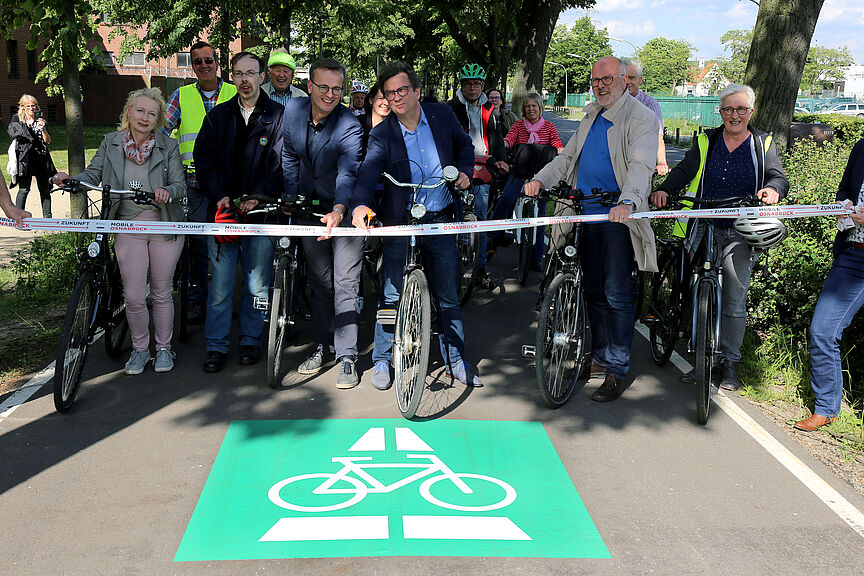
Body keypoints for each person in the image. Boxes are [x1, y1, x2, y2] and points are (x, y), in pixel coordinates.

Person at [524, 56, 659, 403]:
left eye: (608, 79)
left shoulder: (640, 117)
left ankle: (616, 369)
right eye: (596, 80)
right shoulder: (590, 115)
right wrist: (540, 179)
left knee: (617, 294)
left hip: (617, 217)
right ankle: (598, 357)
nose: (601, 86)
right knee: (593, 292)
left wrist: (627, 202)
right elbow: (566, 159)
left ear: (624, 80)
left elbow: (642, 165)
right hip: (584, 213)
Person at [352, 61, 481, 391]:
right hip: (401, 221)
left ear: (417, 91)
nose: (396, 97)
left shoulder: (441, 116)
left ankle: (455, 360)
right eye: (389, 92)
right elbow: (368, 172)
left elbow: (465, 145)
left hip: (440, 219)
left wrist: (464, 170)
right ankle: (383, 359)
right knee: (390, 294)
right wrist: (362, 203)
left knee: (448, 294)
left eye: (402, 90)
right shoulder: (382, 134)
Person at [652, 83, 788, 391]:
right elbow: (684, 171)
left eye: (741, 109)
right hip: (702, 222)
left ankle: (729, 363)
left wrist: (773, 190)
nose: (735, 115)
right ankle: (700, 357)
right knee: (692, 286)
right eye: (728, 109)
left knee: (734, 299)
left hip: (740, 227)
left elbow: (777, 175)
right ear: (721, 112)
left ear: (751, 112)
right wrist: (663, 190)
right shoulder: (707, 140)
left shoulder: (761, 143)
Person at [53, 88, 186, 375]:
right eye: (140, 111)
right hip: (126, 226)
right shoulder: (110, 142)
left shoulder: (168, 146)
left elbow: (180, 185)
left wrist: (166, 192)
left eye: (152, 114)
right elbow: (93, 173)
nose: (145, 118)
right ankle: (140, 349)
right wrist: (72, 180)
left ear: (159, 119)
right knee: (135, 296)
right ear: (128, 111)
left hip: (164, 225)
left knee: (161, 292)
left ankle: (163, 348)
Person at [193, 52, 285, 373]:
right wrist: (219, 195)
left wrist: (259, 196)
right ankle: (216, 346)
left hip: (261, 216)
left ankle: (251, 340)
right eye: (238, 73)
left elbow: (281, 164)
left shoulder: (279, 116)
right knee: (220, 286)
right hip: (224, 215)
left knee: (257, 285)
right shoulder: (218, 117)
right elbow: (204, 161)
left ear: (262, 77)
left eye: (251, 73)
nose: (244, 79)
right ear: (232, 77)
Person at [282, 58, 364, 389]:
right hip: (308, 209)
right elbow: (289, 154)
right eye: (324, 87)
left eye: (337, 89)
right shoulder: (293, 111)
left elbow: (348, 171)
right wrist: (291, 197)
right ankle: (322, 346)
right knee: (320, 283)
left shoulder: (349, 124)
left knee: (345, 283)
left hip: (344, 210)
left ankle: (347, 356)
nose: (330, 95)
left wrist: (340, 208)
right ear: (309, 86)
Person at [164, 41, 237, 325]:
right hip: (193, 184)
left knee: (227, 243)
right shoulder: (180, 96)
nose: (204, 66)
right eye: (197, 62)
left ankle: (224, 300)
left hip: (228, 185)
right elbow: (161, 133)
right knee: (197, 245)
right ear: (192, 66)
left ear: (218, 63)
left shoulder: (234, 92)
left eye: (208, 60)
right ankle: (198, 299)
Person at [794, 138, 864, 431]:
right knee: (822, 331)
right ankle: (826, 408)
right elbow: (845, 189)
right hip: (852, 256)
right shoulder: (861, 148)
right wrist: (842, 205)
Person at [447, 63, 509, 289]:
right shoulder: (451, 108)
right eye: (467, 84)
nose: (472, 88)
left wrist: (501, 160)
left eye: (476, 84)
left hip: (484, 166)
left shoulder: (490, 110)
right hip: (458, 167)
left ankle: (480, 269)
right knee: (452, 219)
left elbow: (496, 137)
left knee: (480, 221)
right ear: (461, 85)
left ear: (482, 85)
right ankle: (449, 269)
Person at [488, 92, 563, 269]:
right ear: (523, 109)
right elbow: (509, 139)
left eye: (534, 106)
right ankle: (494, 236)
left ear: (540, 108)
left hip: (542, 175)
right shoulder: (519, 125)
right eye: (528, 106)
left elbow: (557, 144)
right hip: (520, 171)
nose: (531, 109)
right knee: (506, 199)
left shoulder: (550, 127)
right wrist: (502, 145)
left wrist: (563, 151)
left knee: (541, 214)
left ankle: (536, 257)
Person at [8, 95, 56, 218]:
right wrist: (27, 126)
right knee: (24, 189)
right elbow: (14, 134)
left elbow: (48, 140)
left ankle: (48, 218)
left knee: (45, 189)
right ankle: (19, 217)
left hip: (41, 157)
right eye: (28, 106)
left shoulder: (40, 119)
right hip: (25, 159)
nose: (31, 108)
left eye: (33, 105)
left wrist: (43, 129)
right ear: (22, 107)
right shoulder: (17, 119)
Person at [623, 59, 669, 176]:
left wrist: (662, 163)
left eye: (632, 78)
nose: (627, 82)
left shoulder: (649, 104)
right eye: (624, 77)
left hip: (640, 167)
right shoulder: (611, 102)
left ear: (640, 79)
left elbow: (657, 137)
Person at [359, 82, 391, 154]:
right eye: (381, 98)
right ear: (371, 99)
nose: (386, 103)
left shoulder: (397, 127)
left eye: (389, 99)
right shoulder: (357, 124)